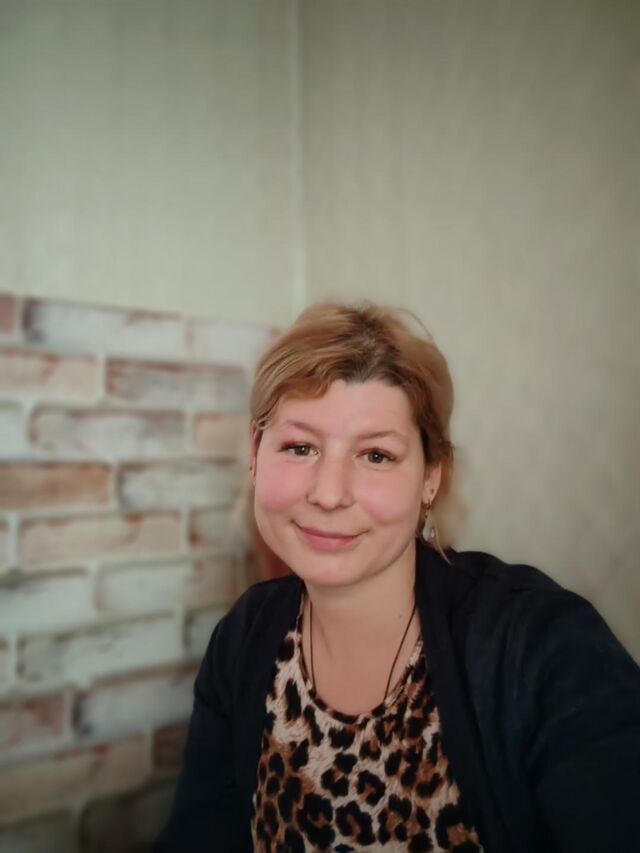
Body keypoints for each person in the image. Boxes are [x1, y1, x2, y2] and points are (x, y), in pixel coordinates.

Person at [155, 302, 640, 852]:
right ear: (254, 453)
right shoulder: (243, 635)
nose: (329, 493)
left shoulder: (542, 642)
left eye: (377, 456)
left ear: (430, 477)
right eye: (299, 447)